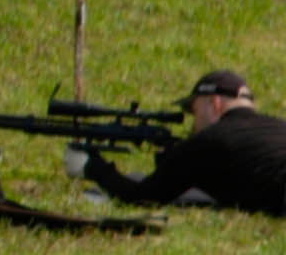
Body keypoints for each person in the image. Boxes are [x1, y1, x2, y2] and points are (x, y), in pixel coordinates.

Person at [79, 70, 286, 215]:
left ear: (215, 103)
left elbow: (143, 196)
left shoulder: (208, 141)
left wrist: (92, 167)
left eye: (194, 111)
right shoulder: (279, 126)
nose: (193, 123)